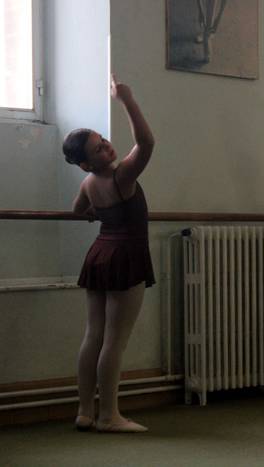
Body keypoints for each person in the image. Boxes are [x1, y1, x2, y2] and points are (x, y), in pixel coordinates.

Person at [63, 75, 155, 432]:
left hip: (100, 252)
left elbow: (77, 210)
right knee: (114, 340)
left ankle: (85, 411)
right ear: (87, 164)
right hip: (124, 255)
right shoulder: (122, 177)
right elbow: (146, 142)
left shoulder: (88, 183)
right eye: (98, 149)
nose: (106, 147)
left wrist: (97, 212)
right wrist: (126, 99)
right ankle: (108, 416)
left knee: (94, 335)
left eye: (103, 141)